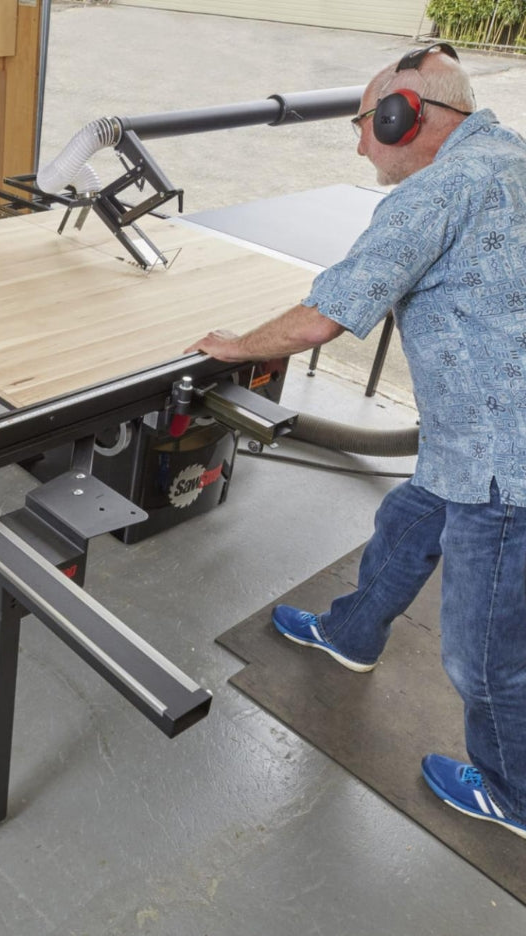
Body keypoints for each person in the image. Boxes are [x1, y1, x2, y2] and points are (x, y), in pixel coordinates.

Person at [186, 43, 526, 840]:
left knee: (480, 658)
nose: (361, 142)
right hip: (469, 434)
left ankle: (512, 794)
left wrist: (237, 346)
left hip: (503, 463)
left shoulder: (439, 192)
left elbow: (325, 315)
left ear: (411, 116)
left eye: (368, 122)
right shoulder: (510, 156)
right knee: (407, 522)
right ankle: (352, 633)